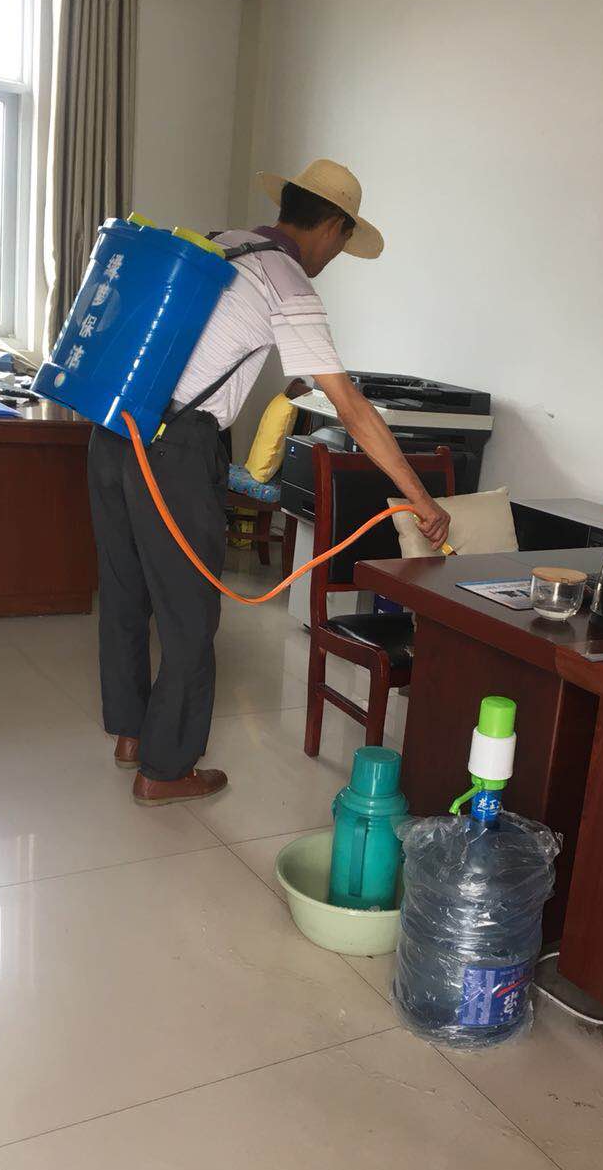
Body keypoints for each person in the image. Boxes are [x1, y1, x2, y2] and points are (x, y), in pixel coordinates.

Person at [87, 158, 451, 808]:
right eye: (342, 243)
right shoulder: (286, 279)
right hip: (173, 449)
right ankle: (165, 770)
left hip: (113, 430)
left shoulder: (221, 243)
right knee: (189, 614)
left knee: (125, 591)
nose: (335, 256)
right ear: (334, 228)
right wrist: (421, 497)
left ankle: (131, 736)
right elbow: (351, 407)